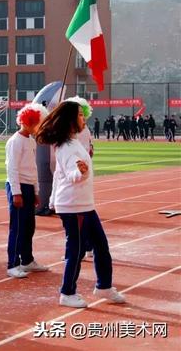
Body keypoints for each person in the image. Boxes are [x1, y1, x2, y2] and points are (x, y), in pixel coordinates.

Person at [36, 101, 126, 308]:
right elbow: (71, 175)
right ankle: (67, 292)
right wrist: (81, 172)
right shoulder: (67, 147)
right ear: (69, 120)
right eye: (79, 115)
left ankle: (104, 287)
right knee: (75, 250)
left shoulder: (73, 142)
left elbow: (60, 175)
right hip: (73, 206)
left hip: (84, 205)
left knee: (101, 246)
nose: (83, 118)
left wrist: (82, 170)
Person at [4, 103, 49, 279]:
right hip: (18, 186)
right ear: (30, 121)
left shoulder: (31, 141)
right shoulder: (15, 141)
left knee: (29, 226)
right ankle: (12, 263)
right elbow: (12, 168)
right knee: (17, 226)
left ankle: (27, 260)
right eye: (39, 123)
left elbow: (33, 167)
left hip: (29, 186)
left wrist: (36, 190)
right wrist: (16, 192)